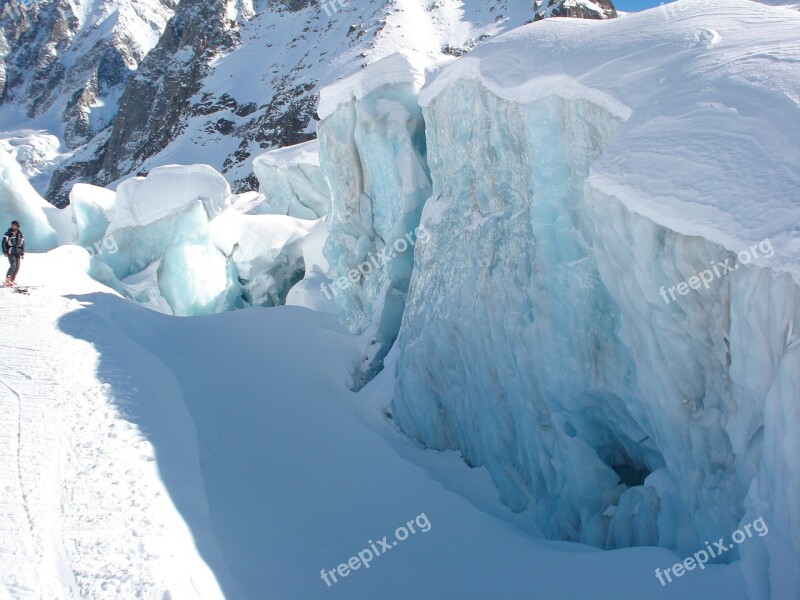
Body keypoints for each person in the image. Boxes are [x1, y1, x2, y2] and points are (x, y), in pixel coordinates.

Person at [3, 220, 24, 287]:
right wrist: (5, 251)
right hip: (11, 251)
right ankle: (7, 281)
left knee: (17, 267)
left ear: (18, 226)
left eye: (15, 226)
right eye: (12, 225)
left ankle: (12, 280)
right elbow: (4, 243)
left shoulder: (20, 234)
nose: (13, 227)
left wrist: (22, 252)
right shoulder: (8, 233)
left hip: (18, 252)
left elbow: (23, 244)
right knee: (13, 265)